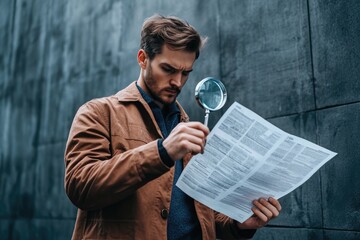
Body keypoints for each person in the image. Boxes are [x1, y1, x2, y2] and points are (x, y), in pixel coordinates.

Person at [64, 14, 282, 240]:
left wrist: (238, 224)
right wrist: (161, 152)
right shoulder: (98, 112)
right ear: (143, 58)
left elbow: (202, 217)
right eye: (168, 69)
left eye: (185, 72)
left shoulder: (189, 129)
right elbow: (81, 186)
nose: (177, 82)